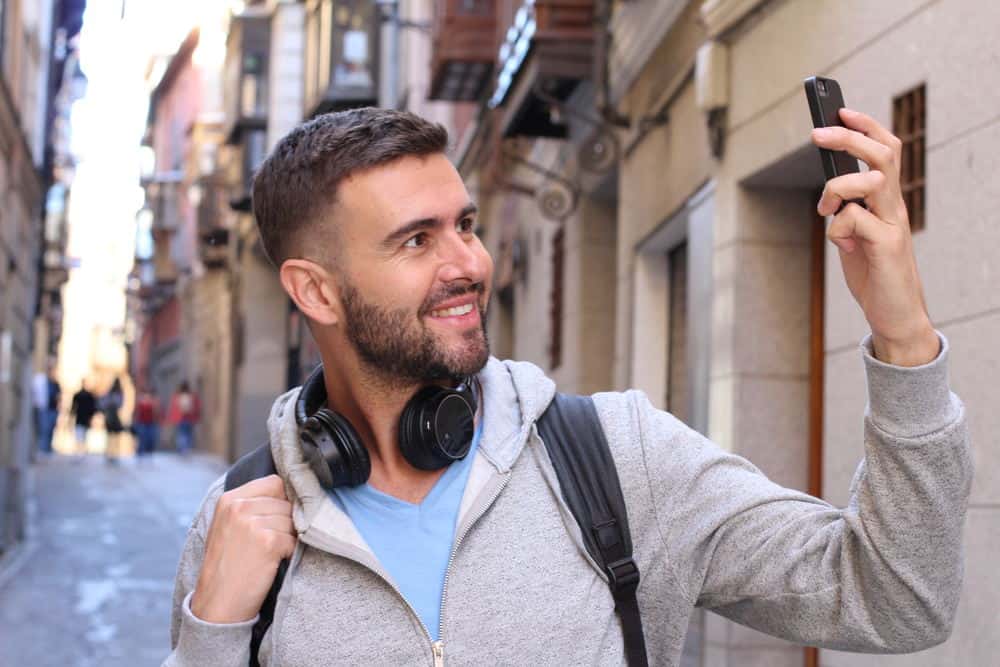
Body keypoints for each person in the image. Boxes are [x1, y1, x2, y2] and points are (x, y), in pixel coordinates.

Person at [163, 109, 971, 666]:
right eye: (417, 239)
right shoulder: (241, 521)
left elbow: (897, 597)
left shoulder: (618, 458)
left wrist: (903, 339)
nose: (469, 265)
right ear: (316, 292)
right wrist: (212, 633)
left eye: (466, 225)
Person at [32, 363, 60, 457]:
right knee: (44, 428)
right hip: (44, 408)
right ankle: (43, 449)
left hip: (53, 409)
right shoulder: (41, 380)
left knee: (50, 428)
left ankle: (47, 447)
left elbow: (58, 396)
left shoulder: (55, 383)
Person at [167, 381, 200, 454]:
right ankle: (186, 448)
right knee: (187, 434)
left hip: (181, 419)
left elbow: (174, 408)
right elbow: (196, 407)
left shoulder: (177, 396)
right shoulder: (192, 396)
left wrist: (172, 418)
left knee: (182, 434)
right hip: (189, 419)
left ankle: (183, 448)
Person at [69, 380, 98, 457]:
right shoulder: (78, 395)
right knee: (80, 434)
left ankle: (82, 450)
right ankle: (80, 450)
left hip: (84, 418)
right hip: (81, 418)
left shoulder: (87, 395)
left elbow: (92, 407)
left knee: (83, 434)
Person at [101, 378, 126, 463]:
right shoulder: (112, 393)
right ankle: (110, 453)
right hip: (110, 417)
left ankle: (114, 453)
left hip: (114, 418)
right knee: (111, 437)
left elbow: (120, 404)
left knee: (114, 437)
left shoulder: (118, 393)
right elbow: (103, 403)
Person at [133, 384, 160, 457]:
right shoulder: (140, 400)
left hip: (150, 422)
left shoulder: (153, 401)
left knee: (150, 438)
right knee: (142, 438)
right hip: (142, 422)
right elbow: (137, 411)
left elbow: (156, 411)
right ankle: (140, 452)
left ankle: (148, 451)